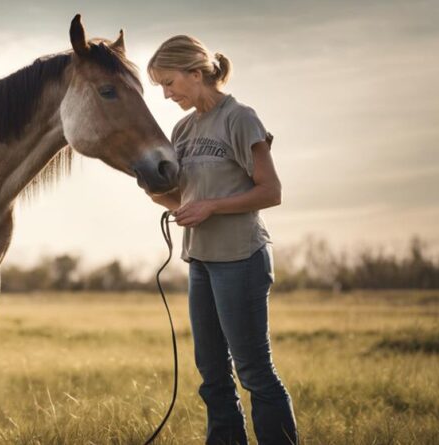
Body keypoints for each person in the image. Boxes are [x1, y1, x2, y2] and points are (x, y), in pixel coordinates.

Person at [146, 35, 298, 445]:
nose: (165, 94)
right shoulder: (182, 128)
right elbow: (184, 197)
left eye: (169, 82)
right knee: (212, 375)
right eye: (160, 86)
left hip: (241, 259)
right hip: (201, 262)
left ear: (196, 74)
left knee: (254, 373)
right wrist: (152, 188)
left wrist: (211, 206)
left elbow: (271, 191)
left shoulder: (240, 118)